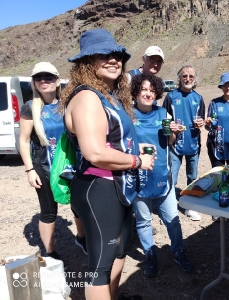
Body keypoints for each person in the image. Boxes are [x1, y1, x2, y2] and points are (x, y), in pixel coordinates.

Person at [61, 28, 154, 300]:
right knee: (98, 269)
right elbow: (95, 153)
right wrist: (137, 160)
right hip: (98, 188)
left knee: (120, 252)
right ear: (86, 62)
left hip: (118, 187)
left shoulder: (108, 95)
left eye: (117, 55)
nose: (113, 60)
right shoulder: (86, 97)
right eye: (103, 55)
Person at [19, 62, 85, 260]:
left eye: (48, 77)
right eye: (39, 78)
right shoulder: (30, 108)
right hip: (44, 167)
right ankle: (50, 253)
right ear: (34, 83)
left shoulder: (67, 103)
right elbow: (23, 141)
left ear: (57, 81)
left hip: (70, 164)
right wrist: (30, 170)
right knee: (48, 212)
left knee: (78, 205)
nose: (44, 81)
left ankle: (82, 238)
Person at [131, 73, 195, 277]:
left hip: (162, 177)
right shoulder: (128, 115)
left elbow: (170, 142)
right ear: (136, 91)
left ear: (157, 92)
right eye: (144, 89)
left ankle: (178, 252)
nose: (148, 94)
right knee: (143, 222)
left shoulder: (163, 114)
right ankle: (150, 255)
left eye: (152, 90)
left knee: (173, 220)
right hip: (138, 179)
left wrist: (172, 133)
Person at [162, 65, 205, 221]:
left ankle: (189, 207)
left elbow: (201, 121)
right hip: (174, 145)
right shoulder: (171, 97)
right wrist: (171, 131)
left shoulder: (198, 98)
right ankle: (169, 210)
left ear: (195, 79)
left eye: (191, 76)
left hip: (193, 144)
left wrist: (201, 123)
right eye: (184, 76)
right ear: (179, 78)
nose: (188, 79)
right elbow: (164, 121)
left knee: (192, 177)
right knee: (171, 178)